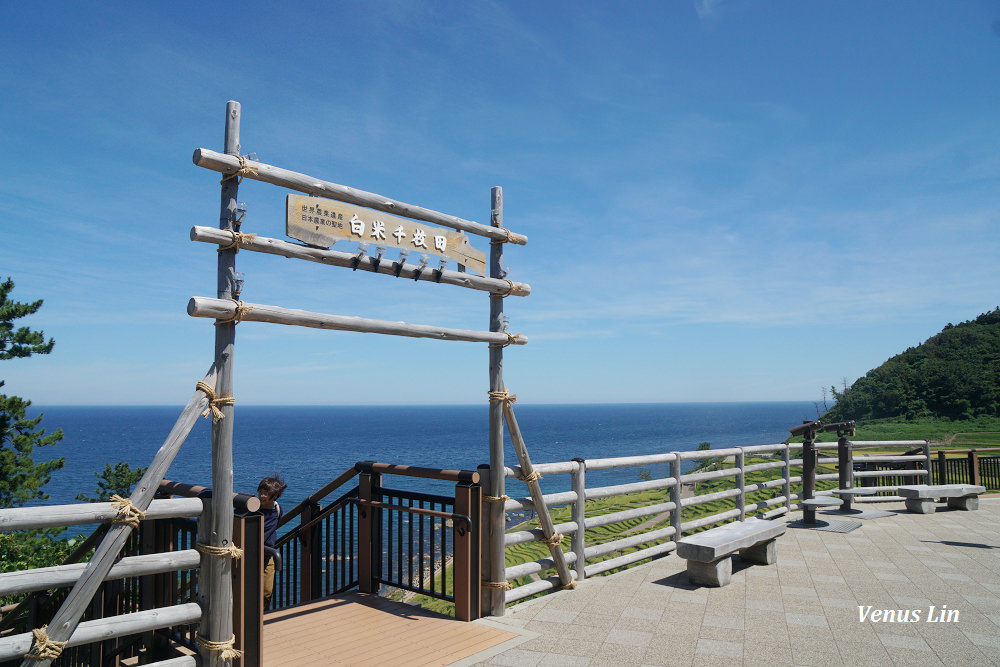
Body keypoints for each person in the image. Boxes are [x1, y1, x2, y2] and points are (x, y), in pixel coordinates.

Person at [258, 475, 287, 610]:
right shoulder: (253, 508)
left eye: (266, 493)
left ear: (274, 496)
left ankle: (261, 618)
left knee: (266, 592)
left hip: (268, 555)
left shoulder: (277, 509)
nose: (262, 496)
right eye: (260, 492)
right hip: (251, 555)